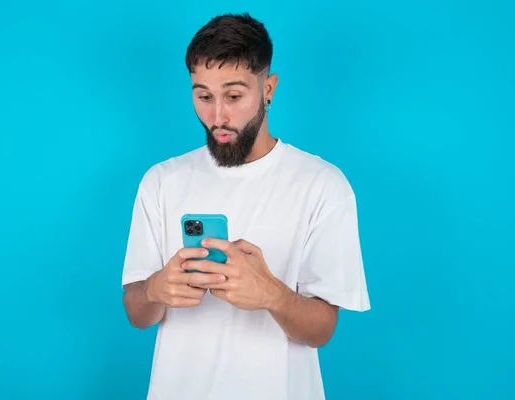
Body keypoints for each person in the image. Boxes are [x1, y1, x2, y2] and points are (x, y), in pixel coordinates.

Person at [121, 12, 370, 400]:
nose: (217, 116)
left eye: (234, 96)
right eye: (203, 95)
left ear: (268, 88)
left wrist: (272, 294)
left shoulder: (323, 185)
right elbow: (137, 312)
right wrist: (156, 289)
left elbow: (321, 329)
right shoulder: (161, 181)